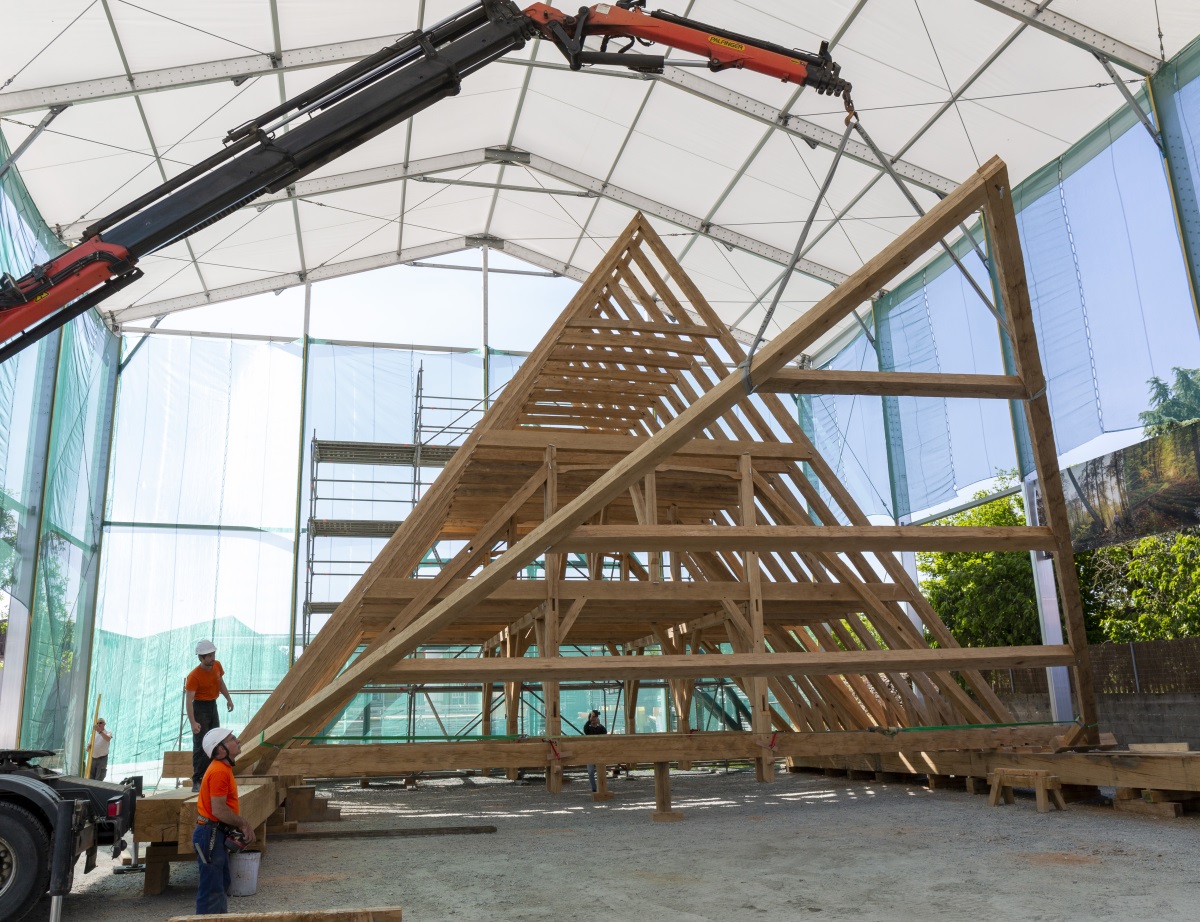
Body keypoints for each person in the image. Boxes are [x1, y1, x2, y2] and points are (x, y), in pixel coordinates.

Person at [194, 728, 256, 915]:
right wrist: (243, 823)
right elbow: (219, 810)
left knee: (220, 883)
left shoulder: (223, 769)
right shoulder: (219, 771)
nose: (238, 740)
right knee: (212, 888)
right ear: (220, 750)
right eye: (232, 739)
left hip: (213, 832)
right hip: (210, 834)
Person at [186, 640, 234, 793]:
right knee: (201, 744)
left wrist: (228, 698)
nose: (213, 658)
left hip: (213, 705)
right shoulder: (194, 676)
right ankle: (197, 779)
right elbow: (188, 701)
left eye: (213, 654)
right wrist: (193, 722)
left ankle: (211, 776)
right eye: (209, 656)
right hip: (200, 708)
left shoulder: (217, 666)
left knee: (215, 741)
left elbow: (221, 683)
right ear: (201, 658)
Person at [583, 709, 607, 792]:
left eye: (595, 718)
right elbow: (585, 729)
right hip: (590, 752)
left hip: (599, 752)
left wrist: (599, 723)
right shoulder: (588, 729)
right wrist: (590, 720)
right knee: (590, 772)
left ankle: (601, 787)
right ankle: (594, 788)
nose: (594, 719)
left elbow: (605, 732)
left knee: (601, 770)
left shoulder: (601, 729)